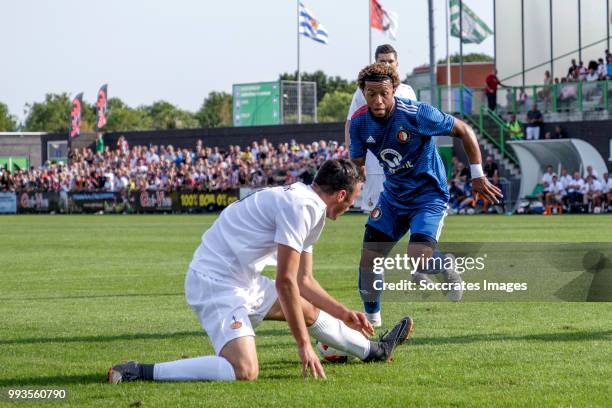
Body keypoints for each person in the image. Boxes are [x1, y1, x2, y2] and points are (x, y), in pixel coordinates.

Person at [108, 159, 413, 383]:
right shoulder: (303, 207)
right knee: (244, 371)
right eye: (355, 197)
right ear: (342, 195)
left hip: (242, 278)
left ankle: (374, 351)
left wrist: (343, 312)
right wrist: (304, 346)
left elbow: (304, 281)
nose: (353, 205)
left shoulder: (310, 205)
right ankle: (139, 371)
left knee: (307, 311)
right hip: (215, 283)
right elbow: (286, 283)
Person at [349, 63, 503, 326]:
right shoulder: (359, 122)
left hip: (427, 195)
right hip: (393, 197)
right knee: (369, 259)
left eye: (383, 93)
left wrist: (477, 175)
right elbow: (356, 162)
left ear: (394, 90)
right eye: (370, 93)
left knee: (418, 254)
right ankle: (372, 323)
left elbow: (464, 130)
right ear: (362, 92)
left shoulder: (417, 114)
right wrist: (351, 186)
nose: (377, 100)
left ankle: (445, 264)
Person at [344, 44, 416, 214]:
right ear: (375, 62)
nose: (386, 65)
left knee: (409, 212)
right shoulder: (363, 92)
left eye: (390, 61)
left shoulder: (407, 91)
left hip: (404, 163)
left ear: (397, 64)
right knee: (375, 212)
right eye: (382, 61)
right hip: (375, 162)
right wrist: (353, 159)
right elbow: (350, 124)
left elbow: (416, 127)